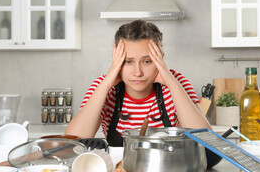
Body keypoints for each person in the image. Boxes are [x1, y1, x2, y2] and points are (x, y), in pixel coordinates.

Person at [65, 20, 211, 146]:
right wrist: (106, 84)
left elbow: (207, 142)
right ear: (117, 61)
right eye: (128, 62)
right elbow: (72, 142)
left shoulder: (176, 82)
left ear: (160, 59)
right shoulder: (104, 87)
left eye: (147, 61)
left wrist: (171, 82)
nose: (138, 72)